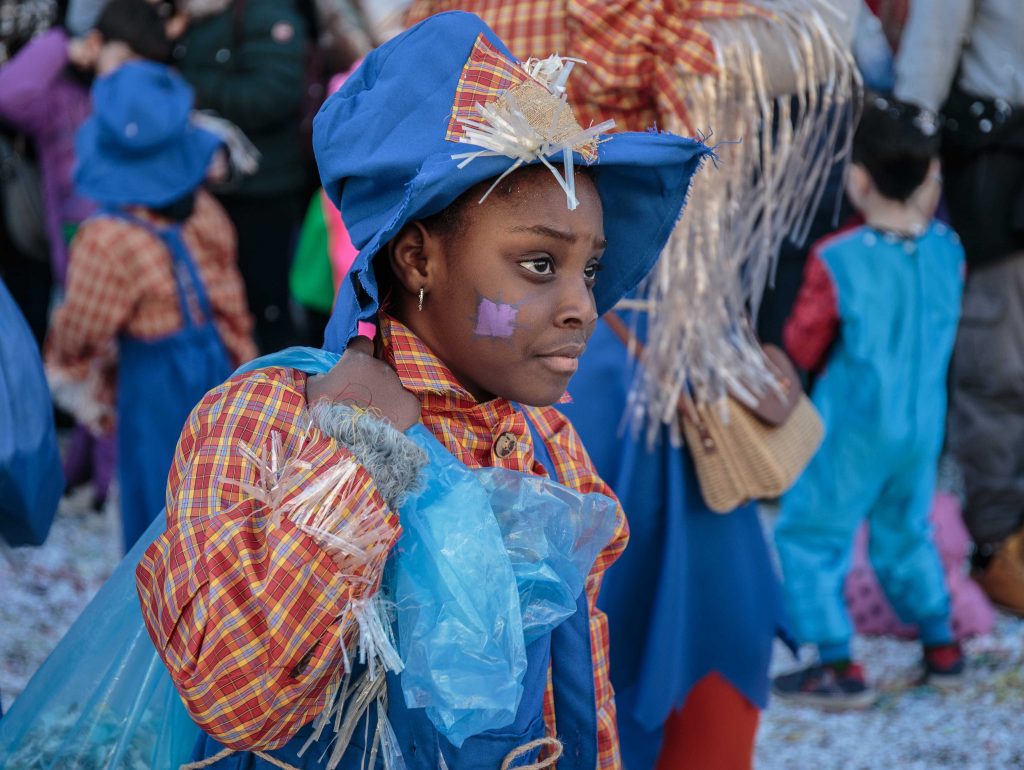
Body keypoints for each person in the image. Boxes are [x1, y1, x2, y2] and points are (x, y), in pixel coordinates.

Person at [135, 11, 710, 768]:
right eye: (539, 265)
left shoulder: (547, 447)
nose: (583, 305)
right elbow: (237, 697)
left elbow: (577, 687)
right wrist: (358, 455)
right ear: (417, 259)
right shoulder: (267, 420)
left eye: (591, 269)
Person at [773, 95, 966, 709]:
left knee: (811, 532)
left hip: (853, 428)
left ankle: (838, 664)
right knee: (907, 531)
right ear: (932, 175)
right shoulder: (949, 249)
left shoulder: (838, 257)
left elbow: (802, 344)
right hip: (923, 426)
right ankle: (942, 646)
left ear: (857, 178)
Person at [45, 60, 256, 550]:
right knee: (218, 506)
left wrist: (69, 368)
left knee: (159, 521)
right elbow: (230, 304)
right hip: (222, 377)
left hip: (154, 391)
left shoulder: (107, 239)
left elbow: (82, 329)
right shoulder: (204, 211)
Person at [893, 0, 1024, 615]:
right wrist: (907, 151)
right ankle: (998, 543)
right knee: (996, 368)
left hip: (1001, 158)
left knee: (997, 366)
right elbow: (931, 47)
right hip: (1003, 164)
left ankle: (999, 540)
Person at [174, 0, 313, 351]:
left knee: (266, 303)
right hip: (211, 188)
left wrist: (187, 91)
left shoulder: (266, 15)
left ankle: (277, 373)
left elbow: (271, 94)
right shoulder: (192, 17)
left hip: (264, 189)